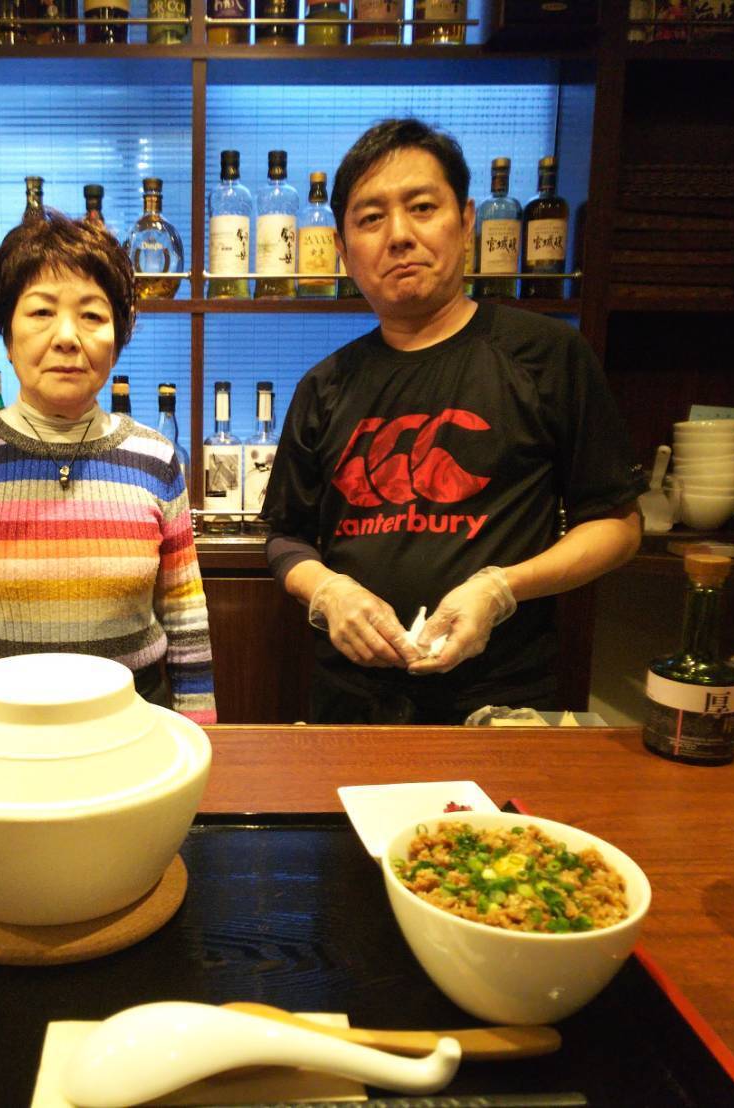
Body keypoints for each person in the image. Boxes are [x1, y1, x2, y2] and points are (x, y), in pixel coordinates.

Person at [262, 119, 645, 724]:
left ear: (466, 222)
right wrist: (328, 591)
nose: (399, 235)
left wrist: (500, 589)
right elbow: (287, 537)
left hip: (498, 700)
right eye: (371, 218)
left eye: (421, 207)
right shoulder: (325, 384)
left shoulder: (546, 355)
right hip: (351, 702)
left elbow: (617, 526)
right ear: (341, 248)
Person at [0, 211, 216, 726]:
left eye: (91, 315)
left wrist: (201, 737)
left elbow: (185, 616)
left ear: (117, 338)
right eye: (42, 311)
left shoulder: (156, 458)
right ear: (8, 335)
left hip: (136, 726)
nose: (67, 337)